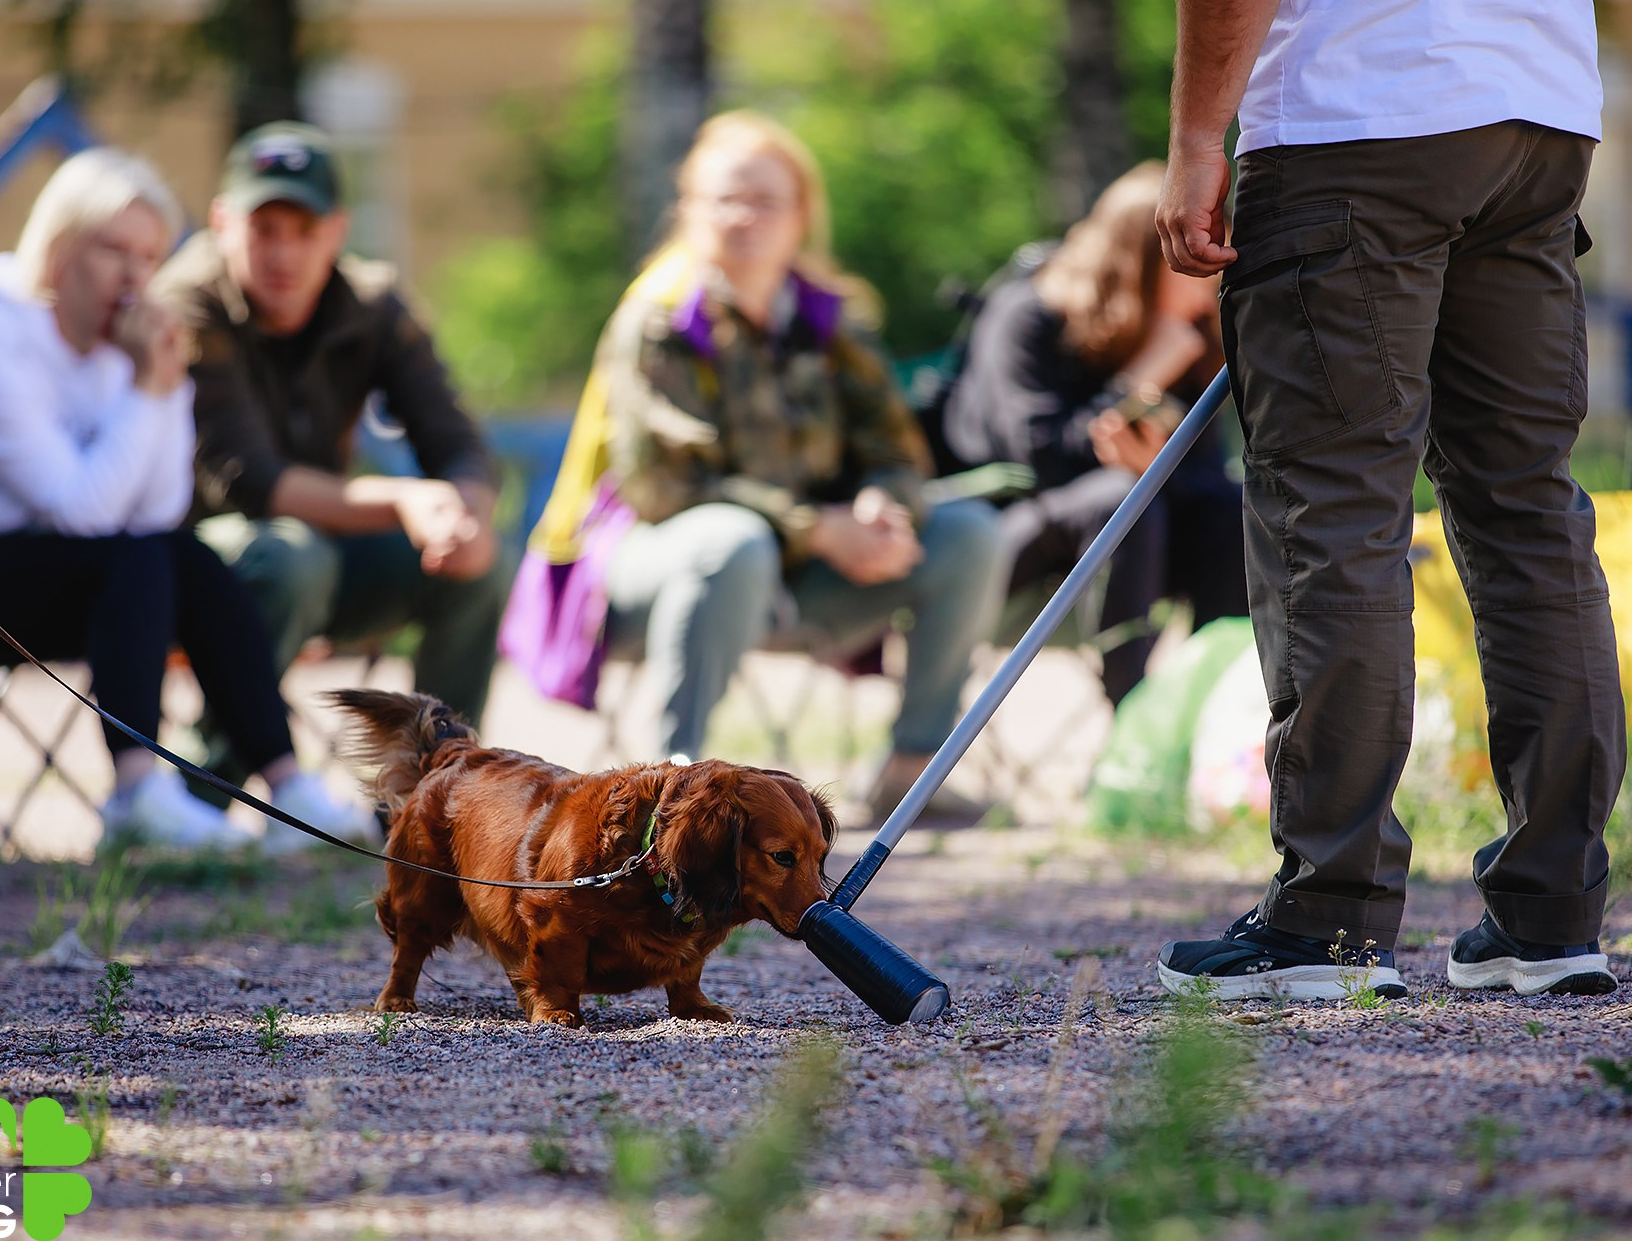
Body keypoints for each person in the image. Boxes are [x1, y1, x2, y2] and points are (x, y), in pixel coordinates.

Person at [1152, 0, 1624, 1000]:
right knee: (1526, 510)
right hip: (1535, 112)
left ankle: (1327, 916)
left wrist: (1195, 139)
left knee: (1333, 516)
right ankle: (1550, 914)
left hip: (1357, 111)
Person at [0, 148, 375, 854]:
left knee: (180, 556)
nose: (135, 277)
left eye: (150, 256)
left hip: (35, 565)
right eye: (113, 251)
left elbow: (156, 513)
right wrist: (148, 392)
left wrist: (164, 387)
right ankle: (139, 793)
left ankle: (290, 787)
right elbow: (85, 516)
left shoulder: (118, 358)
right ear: (60, 249)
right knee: (130, 561)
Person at [515, 112, 1007, 824]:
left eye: (765, 200)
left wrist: (878, 505)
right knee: (729, 538)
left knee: (968, 532)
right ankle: (668, 793)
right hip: (649, 572)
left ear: (801, 215)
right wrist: (818, 529)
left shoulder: (830, 320)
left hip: (792, 577)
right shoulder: (659, 318)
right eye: (723, 199)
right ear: (688, 210)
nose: (743, 216)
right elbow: (666, 485)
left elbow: (895, 450)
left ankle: (911, 770)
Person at [151, 121, 511, 739]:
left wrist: (465, 514)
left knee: (478, 566)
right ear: (221, 221)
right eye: (263, 229)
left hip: (320, 556)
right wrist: (405, 499)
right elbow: (251, 479)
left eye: (305, 230)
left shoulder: (372, 304)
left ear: (338, 231)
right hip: (185, 561)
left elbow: (454, 439)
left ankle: (435, 803)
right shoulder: (185, 304)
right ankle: (206, 795)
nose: (283, 254)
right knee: (290, 557)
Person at [947, 161, 1248, 706]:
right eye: (1195, 261)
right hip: (1004, 532)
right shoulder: (1028, 315)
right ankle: (1128, 718)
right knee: (1121, 500)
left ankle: (1204, 713)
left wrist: (1155, 468)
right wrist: (1140, 380)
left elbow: (1202, 479)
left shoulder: (1188, 337)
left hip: (1137, 546)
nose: (1210, 285)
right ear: (1145, 258)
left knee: (1235, 510)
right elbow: (1038, 458)